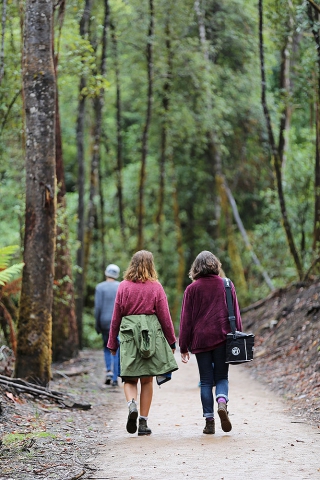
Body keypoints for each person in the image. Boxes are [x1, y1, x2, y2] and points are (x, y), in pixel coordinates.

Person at [107, 250, 178, 436]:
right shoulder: (156, 287)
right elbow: (165, 317)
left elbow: (116, 317)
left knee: (129, 378)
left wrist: (112, 344)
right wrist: (171, 341)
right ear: (151, 265)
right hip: (149, 337)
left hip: (129, 337)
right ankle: (143, 423)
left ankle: (132, 404)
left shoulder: (123, 286)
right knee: (147, 380)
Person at [179, 250, 242, 435]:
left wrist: (183, 345)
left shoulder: (192, 289)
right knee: (221, 377)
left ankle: (209, 421)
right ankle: (222, 402)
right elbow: (236, 313)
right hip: (223, 338)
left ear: (196, 268)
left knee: (206, 381)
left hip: (201, 340)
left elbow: (186, 320)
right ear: (216, 265)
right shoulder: (227, 284)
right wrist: (237, 336)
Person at [95, 264, 121, 386]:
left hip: (104, 322)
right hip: (118, 322)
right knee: (116, 348)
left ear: (106, 273)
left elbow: (98, 307)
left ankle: (109, 371)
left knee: (106, 347)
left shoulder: (100, 287)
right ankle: (115, 377)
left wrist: (97, 324)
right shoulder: (120, 286)